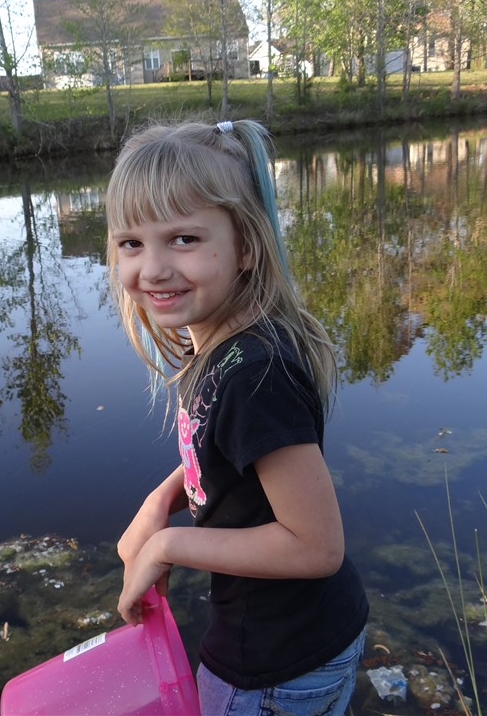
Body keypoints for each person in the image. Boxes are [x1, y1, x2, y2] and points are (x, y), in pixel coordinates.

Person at [107, 118, 369, 716]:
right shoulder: (223, 345)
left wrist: (169, 545)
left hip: (276, 665)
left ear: (246, 245)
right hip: (308, 635)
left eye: (183, 239)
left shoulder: (254, 375)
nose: (152, 269)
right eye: (131, 243)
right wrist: (160, 501)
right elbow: (224, 454)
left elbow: (316, 546)